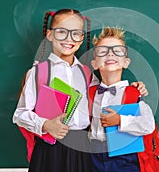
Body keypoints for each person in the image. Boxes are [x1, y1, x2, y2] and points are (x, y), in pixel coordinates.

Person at [13, 9, 148, 172]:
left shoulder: (87, 74)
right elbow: (19, 114)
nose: (69, 39)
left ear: (81, 38)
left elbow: (106, 92)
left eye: (75, 33)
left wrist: (135, 88)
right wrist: (46, 125)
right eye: (62, 32)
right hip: (51, 149)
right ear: (50, 35)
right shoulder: (38, 72)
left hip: (84, 148)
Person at [89, 27, 155, 172]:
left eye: (117, 51)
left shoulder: (133, 93)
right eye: (103, 51)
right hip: (93, 159)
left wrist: (120, 120)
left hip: (125, 159)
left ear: (126, 62)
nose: (110, 54)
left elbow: (148, 124)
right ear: (94, 64)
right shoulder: (90, 93)